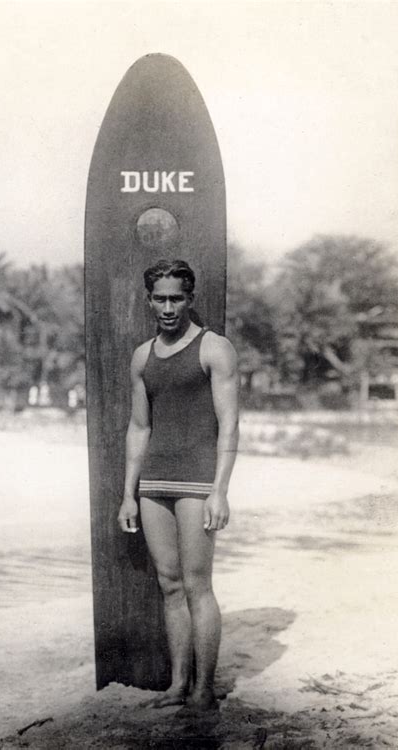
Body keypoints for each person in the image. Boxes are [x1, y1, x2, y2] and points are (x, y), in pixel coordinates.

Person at [118, 258, 239, 713]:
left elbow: (229, 424)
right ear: (148, 300)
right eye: (160, 298)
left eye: (177, 298)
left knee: (196, 585)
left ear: (190, 299)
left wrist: (220, 489)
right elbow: (138, 427)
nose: (168, 307)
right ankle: (176, 685)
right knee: (169, 586)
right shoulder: (142, 356)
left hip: (197, 481)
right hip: (154, 483)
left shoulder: (215, 348)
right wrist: (129, 493)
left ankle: (204, 690)